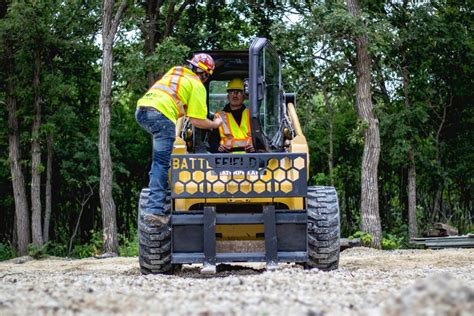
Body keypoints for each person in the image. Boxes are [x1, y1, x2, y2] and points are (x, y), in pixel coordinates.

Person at [136, 53, 222, 226]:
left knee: (159, 161)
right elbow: (197, 120)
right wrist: (215, 124)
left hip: (142, 111)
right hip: (161, 116)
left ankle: (156, 202)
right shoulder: (197, 85)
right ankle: (155, 211)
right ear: (205, 74)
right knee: (161, 163)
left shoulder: (175, 72)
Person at [210, 78, 255, 154]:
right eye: (232, 91)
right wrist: (217, 147)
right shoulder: (219, 116)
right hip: (225, 160)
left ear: (244, 97)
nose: (235, 94)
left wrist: (255, 147)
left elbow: (260, 140)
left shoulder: (252, 115)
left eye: (239, 92)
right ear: (228, 96)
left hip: (251, 159)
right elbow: (212, 142)